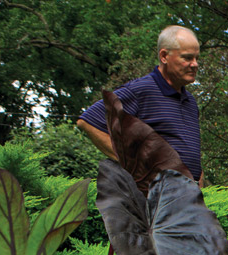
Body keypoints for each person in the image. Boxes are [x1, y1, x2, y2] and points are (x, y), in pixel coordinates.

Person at [77, 25, 203, 184]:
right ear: (164, 56)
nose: (195, 64)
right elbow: (88, 121)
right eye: (187, 58)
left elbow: (192, 154)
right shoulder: (140, 90)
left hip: (188, 198)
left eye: (196, 58)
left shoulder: (190, 101)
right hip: (156, 197)